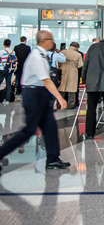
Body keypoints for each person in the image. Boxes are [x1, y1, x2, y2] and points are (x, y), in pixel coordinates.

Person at [0, 31, 71, 174]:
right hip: (33, 94)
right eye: (51, 38)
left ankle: (53, 159)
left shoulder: (42, 54)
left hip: (40, 93)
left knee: (50, 126)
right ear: (45, 41)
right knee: (29, 130)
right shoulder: (37, 56)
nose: (53, 41)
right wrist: (60, 98)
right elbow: (46, 80)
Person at [58, 42, 83, 109]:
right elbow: (80, 65)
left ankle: (59, 104)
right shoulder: (78, 54)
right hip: (73, 71)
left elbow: (58, 61)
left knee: (62, 87)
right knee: (72, 88)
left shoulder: (63, 52)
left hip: (63, 70)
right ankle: (71, 104)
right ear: (77, 47)